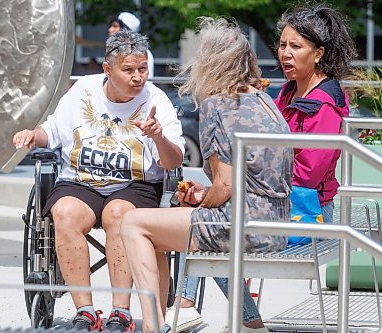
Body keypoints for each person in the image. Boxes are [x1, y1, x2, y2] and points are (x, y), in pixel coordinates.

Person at [120, 17, 293, 333]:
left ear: (210, 63)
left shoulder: (217, 105)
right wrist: (205, 196)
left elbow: (224, 186)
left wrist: (205, 198)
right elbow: (238, 180)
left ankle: (153, 327)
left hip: (245, 227)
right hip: (275, 224)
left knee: (132, 222)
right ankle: (244, 320)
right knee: (179, 221)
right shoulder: (265, 100)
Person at [12, 30, 184, 332]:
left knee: (118, 215)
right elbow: (51, 132)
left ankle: (121, 312)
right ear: (108, 70)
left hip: (136, 184)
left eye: (142, 68)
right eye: (128, 70)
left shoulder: (156, 100)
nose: (137, 77)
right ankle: (86, 312)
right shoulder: (84, 90)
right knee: (64, 213)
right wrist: (32, 135)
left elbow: (173, 162)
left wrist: (158, 136)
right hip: (81, 180)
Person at [275, 3, 357, 223]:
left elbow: (309, 173)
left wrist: (265, 179)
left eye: (296, 46)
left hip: (309, 210)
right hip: (283, 200)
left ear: (318, 53)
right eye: (283, 45)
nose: (286, 53)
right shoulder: (289, 90)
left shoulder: (325, 104)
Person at [108, 12, 155, 79]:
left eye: (115, 26)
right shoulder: (113, 52)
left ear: (126, 30)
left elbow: (147, 82)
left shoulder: (142, 53)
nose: (110, 29)